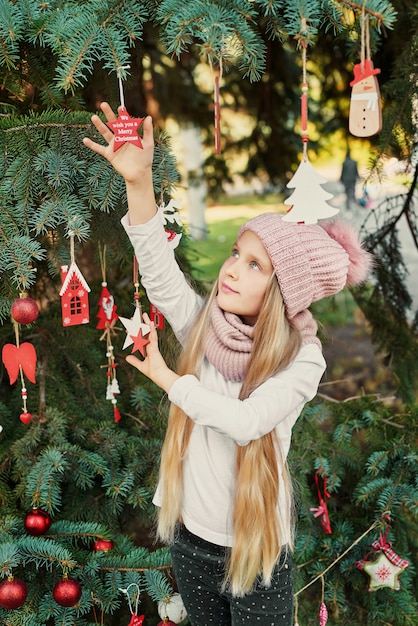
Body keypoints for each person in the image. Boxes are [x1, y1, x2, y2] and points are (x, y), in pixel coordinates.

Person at [83, 103, 372, 626]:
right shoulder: (205, 324)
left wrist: (170, 380)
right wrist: (140, 182)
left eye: (255, 264)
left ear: (284, 291)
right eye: (236, 252)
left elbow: (246, 423)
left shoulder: (303, 360)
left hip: (255, 550)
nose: (232, 269)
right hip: (192, 539)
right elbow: (159, 271)